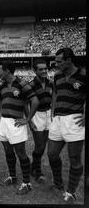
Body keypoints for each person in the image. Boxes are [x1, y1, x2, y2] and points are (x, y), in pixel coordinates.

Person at [48, 48, 85, 203]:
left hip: (74, 120)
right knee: (52, 154)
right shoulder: (57, 76)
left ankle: (71, 192)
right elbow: (55, 93)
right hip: (58, 120)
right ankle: (58, 183)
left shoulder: (83, 75)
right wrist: (53, 109)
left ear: (69, 60)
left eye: (59, 61)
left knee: (74, 158)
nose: (56, 64)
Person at [0, 60, 39, 195]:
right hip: (4, 123)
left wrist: (27, 119)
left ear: (7, 71)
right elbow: (0, 102)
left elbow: (34, 101)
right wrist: (5, 115)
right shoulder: (1, 87)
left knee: (21, 153)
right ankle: (12, 176)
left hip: (16, 123)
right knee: (8, 152)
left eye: (0, 70)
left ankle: (27, 183)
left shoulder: (22, 84)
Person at [27, 59, 53, 183]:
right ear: (35, 71)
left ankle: (33, 167)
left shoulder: (50, 83)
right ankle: (37, 171)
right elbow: (25, 103)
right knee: (40, 146)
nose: (44, 71)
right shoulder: (31, 85)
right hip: (36, 115)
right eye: (41, 69)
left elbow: (54, 99)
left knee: (43, 146)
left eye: (45, 69)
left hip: (48, 115)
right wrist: (29, 119)